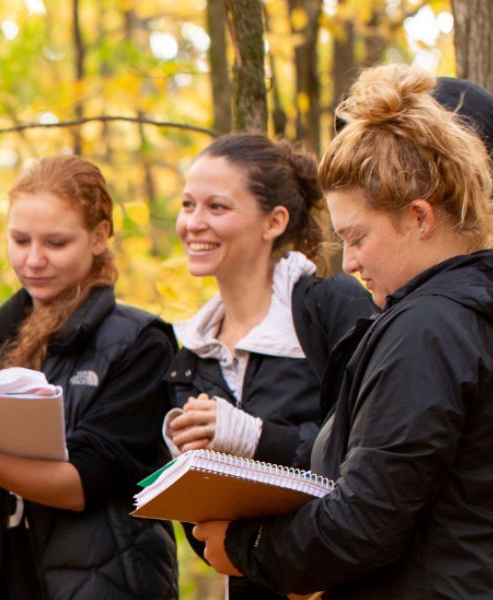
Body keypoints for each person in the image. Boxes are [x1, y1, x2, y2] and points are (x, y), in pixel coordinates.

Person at [191, 64, 493, 598]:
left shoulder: (428, 328)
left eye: (357, 237)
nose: (347, 261)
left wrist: (246, 547)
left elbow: (363, 524)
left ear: (420, 218)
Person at [0, 155, 177, 599]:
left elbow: (81, 484)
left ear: (99, 236)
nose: (34, 260)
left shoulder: (140, 343)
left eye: (55, 242)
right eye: (19, 240)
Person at [161, 134, 377, 598]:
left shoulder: (331, 309)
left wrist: (253, 438)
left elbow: (373, 456)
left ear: (274, 221)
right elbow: (207, 543)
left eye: (216, 207)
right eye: (187, 205)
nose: (193, 223)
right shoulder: (189, 358)